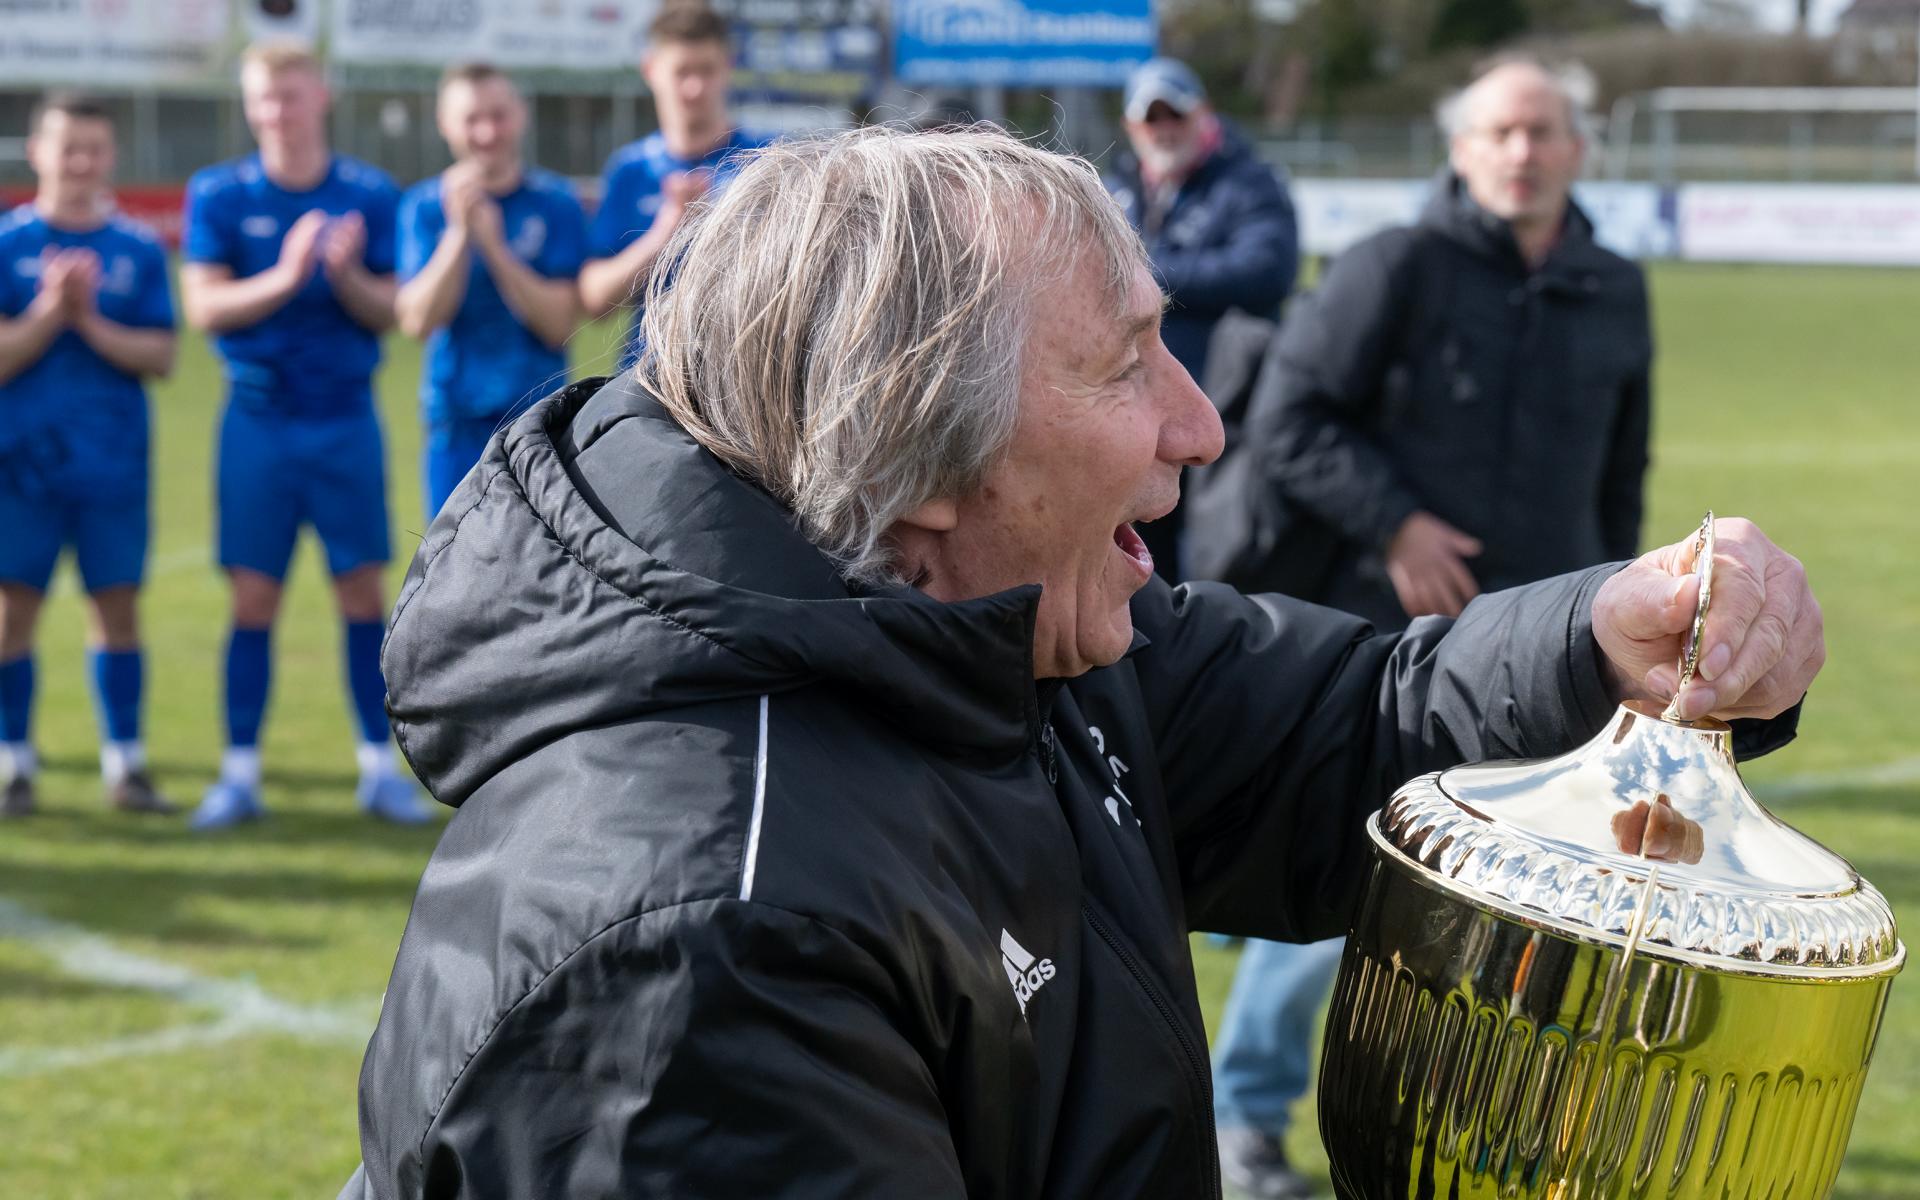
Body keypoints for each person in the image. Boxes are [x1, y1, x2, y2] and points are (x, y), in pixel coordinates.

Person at [339, 125, 1821, 1199]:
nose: (1201, 427)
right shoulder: (707, 936)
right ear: (926, 451)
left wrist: (1603, 640)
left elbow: (1346, 726)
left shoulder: (1002, 634)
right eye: (1125, 366)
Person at [1208, 56, 1656, 1197]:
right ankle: (1246, 1115)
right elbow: (1290, 420)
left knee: (1533, 922)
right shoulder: (1395, 265)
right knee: (1344, 893)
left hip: (1557, 661)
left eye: (1543, 131)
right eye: (1500, 131)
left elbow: (1621, 475)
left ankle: (1481, 1137)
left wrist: (1620, 626)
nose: (1522, 152)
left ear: (1579, 149)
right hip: (1398, 652)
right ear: (1461, 150)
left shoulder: (1614, 286)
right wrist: (1396, 522)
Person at [179, 43, 430, 830]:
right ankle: (239, 775)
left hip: (344, 417)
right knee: (253, 597)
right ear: (248, 105)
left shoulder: (368, 193)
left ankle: (377, 770)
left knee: (361, 593)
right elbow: (203, 308)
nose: (277, 112)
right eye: (263, 98)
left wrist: (347, 276)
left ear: (321, 96)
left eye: (290, 95)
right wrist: (289, 275)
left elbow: (395, 311)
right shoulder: (219, 193)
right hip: (256, 419)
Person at [0, 93, 177, 818]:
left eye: (94, 149)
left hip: (113, 467)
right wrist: (50, 311)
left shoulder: (137, 248)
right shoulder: (7, 245)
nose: (80, 163)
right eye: (67, 147)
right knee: (11, 615)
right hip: (20, 467)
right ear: (36, 152)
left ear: (111, 157)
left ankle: (124, 766)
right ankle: (14, 765)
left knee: (118, 612)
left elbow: (162, 355)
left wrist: (91, 319)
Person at [1104, 57, 1298, 581]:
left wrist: (1145, 271)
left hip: (1229, 412)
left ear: (1204, 113)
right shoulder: (1114, 187)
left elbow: (1266, 270)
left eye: (1176, 113)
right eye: (1152, 117)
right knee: (1143, 563)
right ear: (1131, 126)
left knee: (1227, 564)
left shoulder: (1250, 182)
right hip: (1135, 413)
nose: (1164, 128)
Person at [396, 62, 587, 518]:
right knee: (452, 558)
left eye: (498, 116)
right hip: (455, 421)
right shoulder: (424, 207)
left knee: (541, 561)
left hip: (538, 425)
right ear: (445, 124)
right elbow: (417, 321)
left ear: (520, 116)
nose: (486, 132)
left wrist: (496, 248)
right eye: (471, 119)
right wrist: (458, 235)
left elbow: (559, 324)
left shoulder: (555, 201)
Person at [577, 3, 767, 364]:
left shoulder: (765, 161)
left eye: (706, 70)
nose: (694, 87)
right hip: (646, 377)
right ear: (651, 69)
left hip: (740, 377)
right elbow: (595, 299)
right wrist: (666, 231)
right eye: (682, 71)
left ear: (728, 67)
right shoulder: (631, 169)